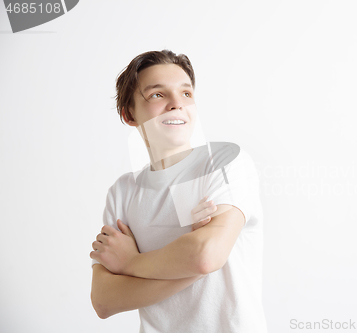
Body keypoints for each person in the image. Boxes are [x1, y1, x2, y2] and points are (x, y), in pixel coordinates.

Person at [89, 49, 268, 333]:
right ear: (129, 114)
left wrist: (131, 262)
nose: (177, 104)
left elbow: (204, 256)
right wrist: (189, 264)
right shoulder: (122, 192)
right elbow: (104, 300)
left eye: (186, 94)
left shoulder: (224, 163)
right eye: (158, 95)